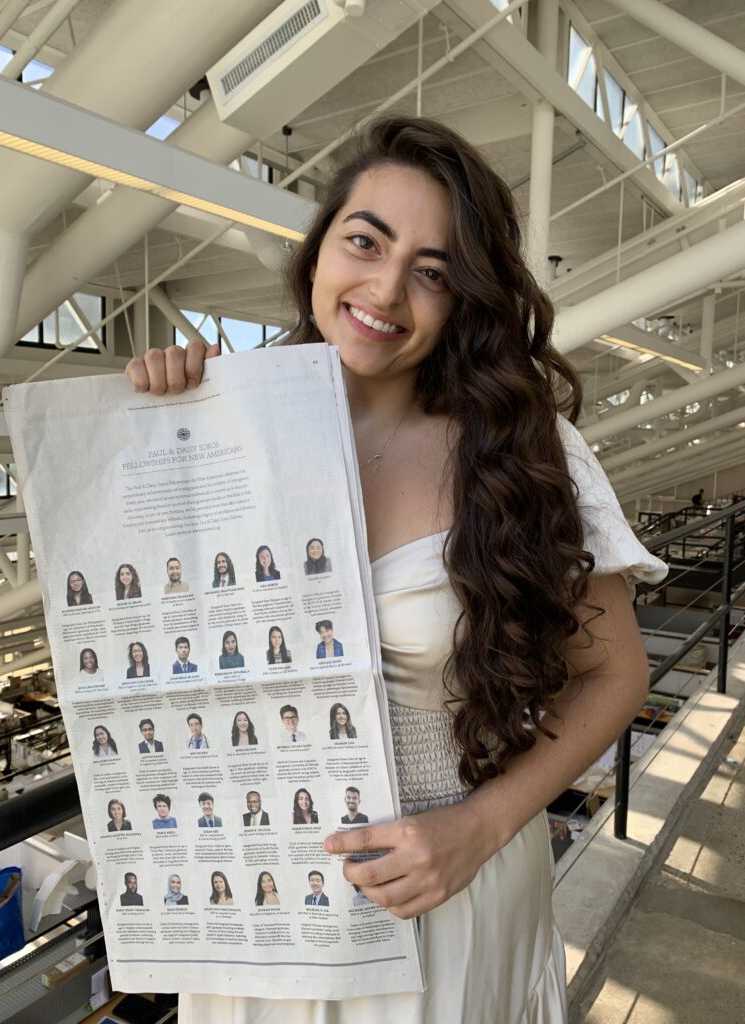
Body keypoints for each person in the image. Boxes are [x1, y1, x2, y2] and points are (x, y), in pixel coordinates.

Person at [128, 115, 667, 1024]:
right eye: (364, 242)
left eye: (433, 271)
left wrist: (480, 829)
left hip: (450, 890)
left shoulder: (529, 455)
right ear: (316, 255)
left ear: (466, 299)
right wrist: (148, 430)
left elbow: (619, 673)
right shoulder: (217, 429)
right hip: (268, 899)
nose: (385, 289)